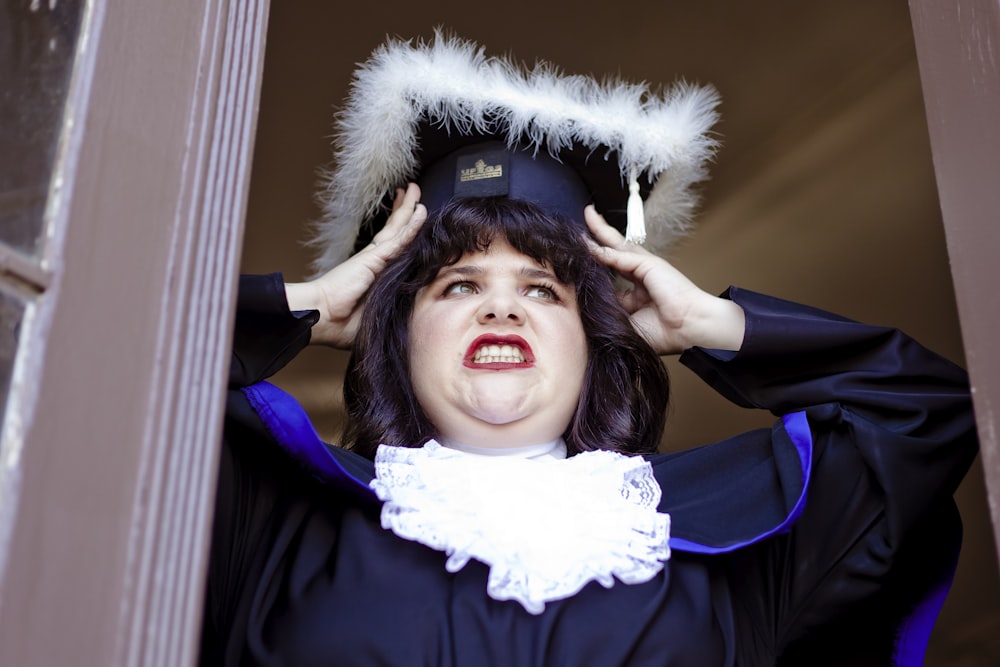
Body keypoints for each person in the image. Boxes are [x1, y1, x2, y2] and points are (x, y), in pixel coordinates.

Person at [201, 33, 978, 666]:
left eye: (544, 289)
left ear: (594, 339)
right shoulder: (276, 512)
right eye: (457, 285)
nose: (502, 303)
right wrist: (303, 306)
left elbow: (932, 413)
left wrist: (712, 323)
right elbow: (99, 385)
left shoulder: (722, 535)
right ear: (397, 334)